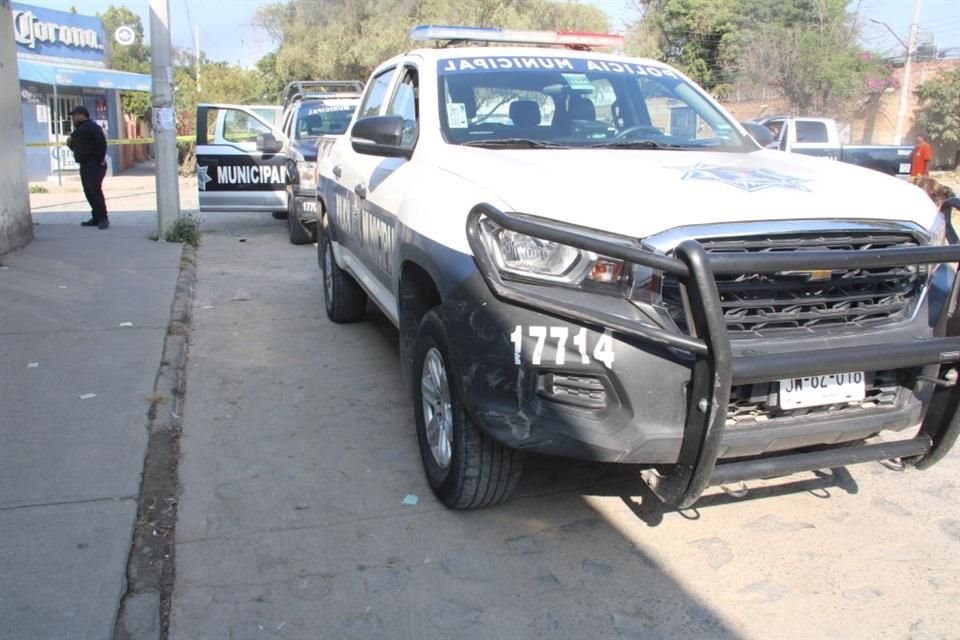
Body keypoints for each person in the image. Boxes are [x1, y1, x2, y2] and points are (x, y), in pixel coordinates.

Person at [66, 105, 109, 229]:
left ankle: (103, 218)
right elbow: (77, 146)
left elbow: (102, 144)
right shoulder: (79, 130)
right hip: (84, 164)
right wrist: (70, 143)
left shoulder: (93, 128)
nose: (73, 118)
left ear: (81, 115)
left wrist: (100, 160)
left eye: (74, 115)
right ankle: (96, 217)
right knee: (88, 191)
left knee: (94, 191)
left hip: (94, 164)